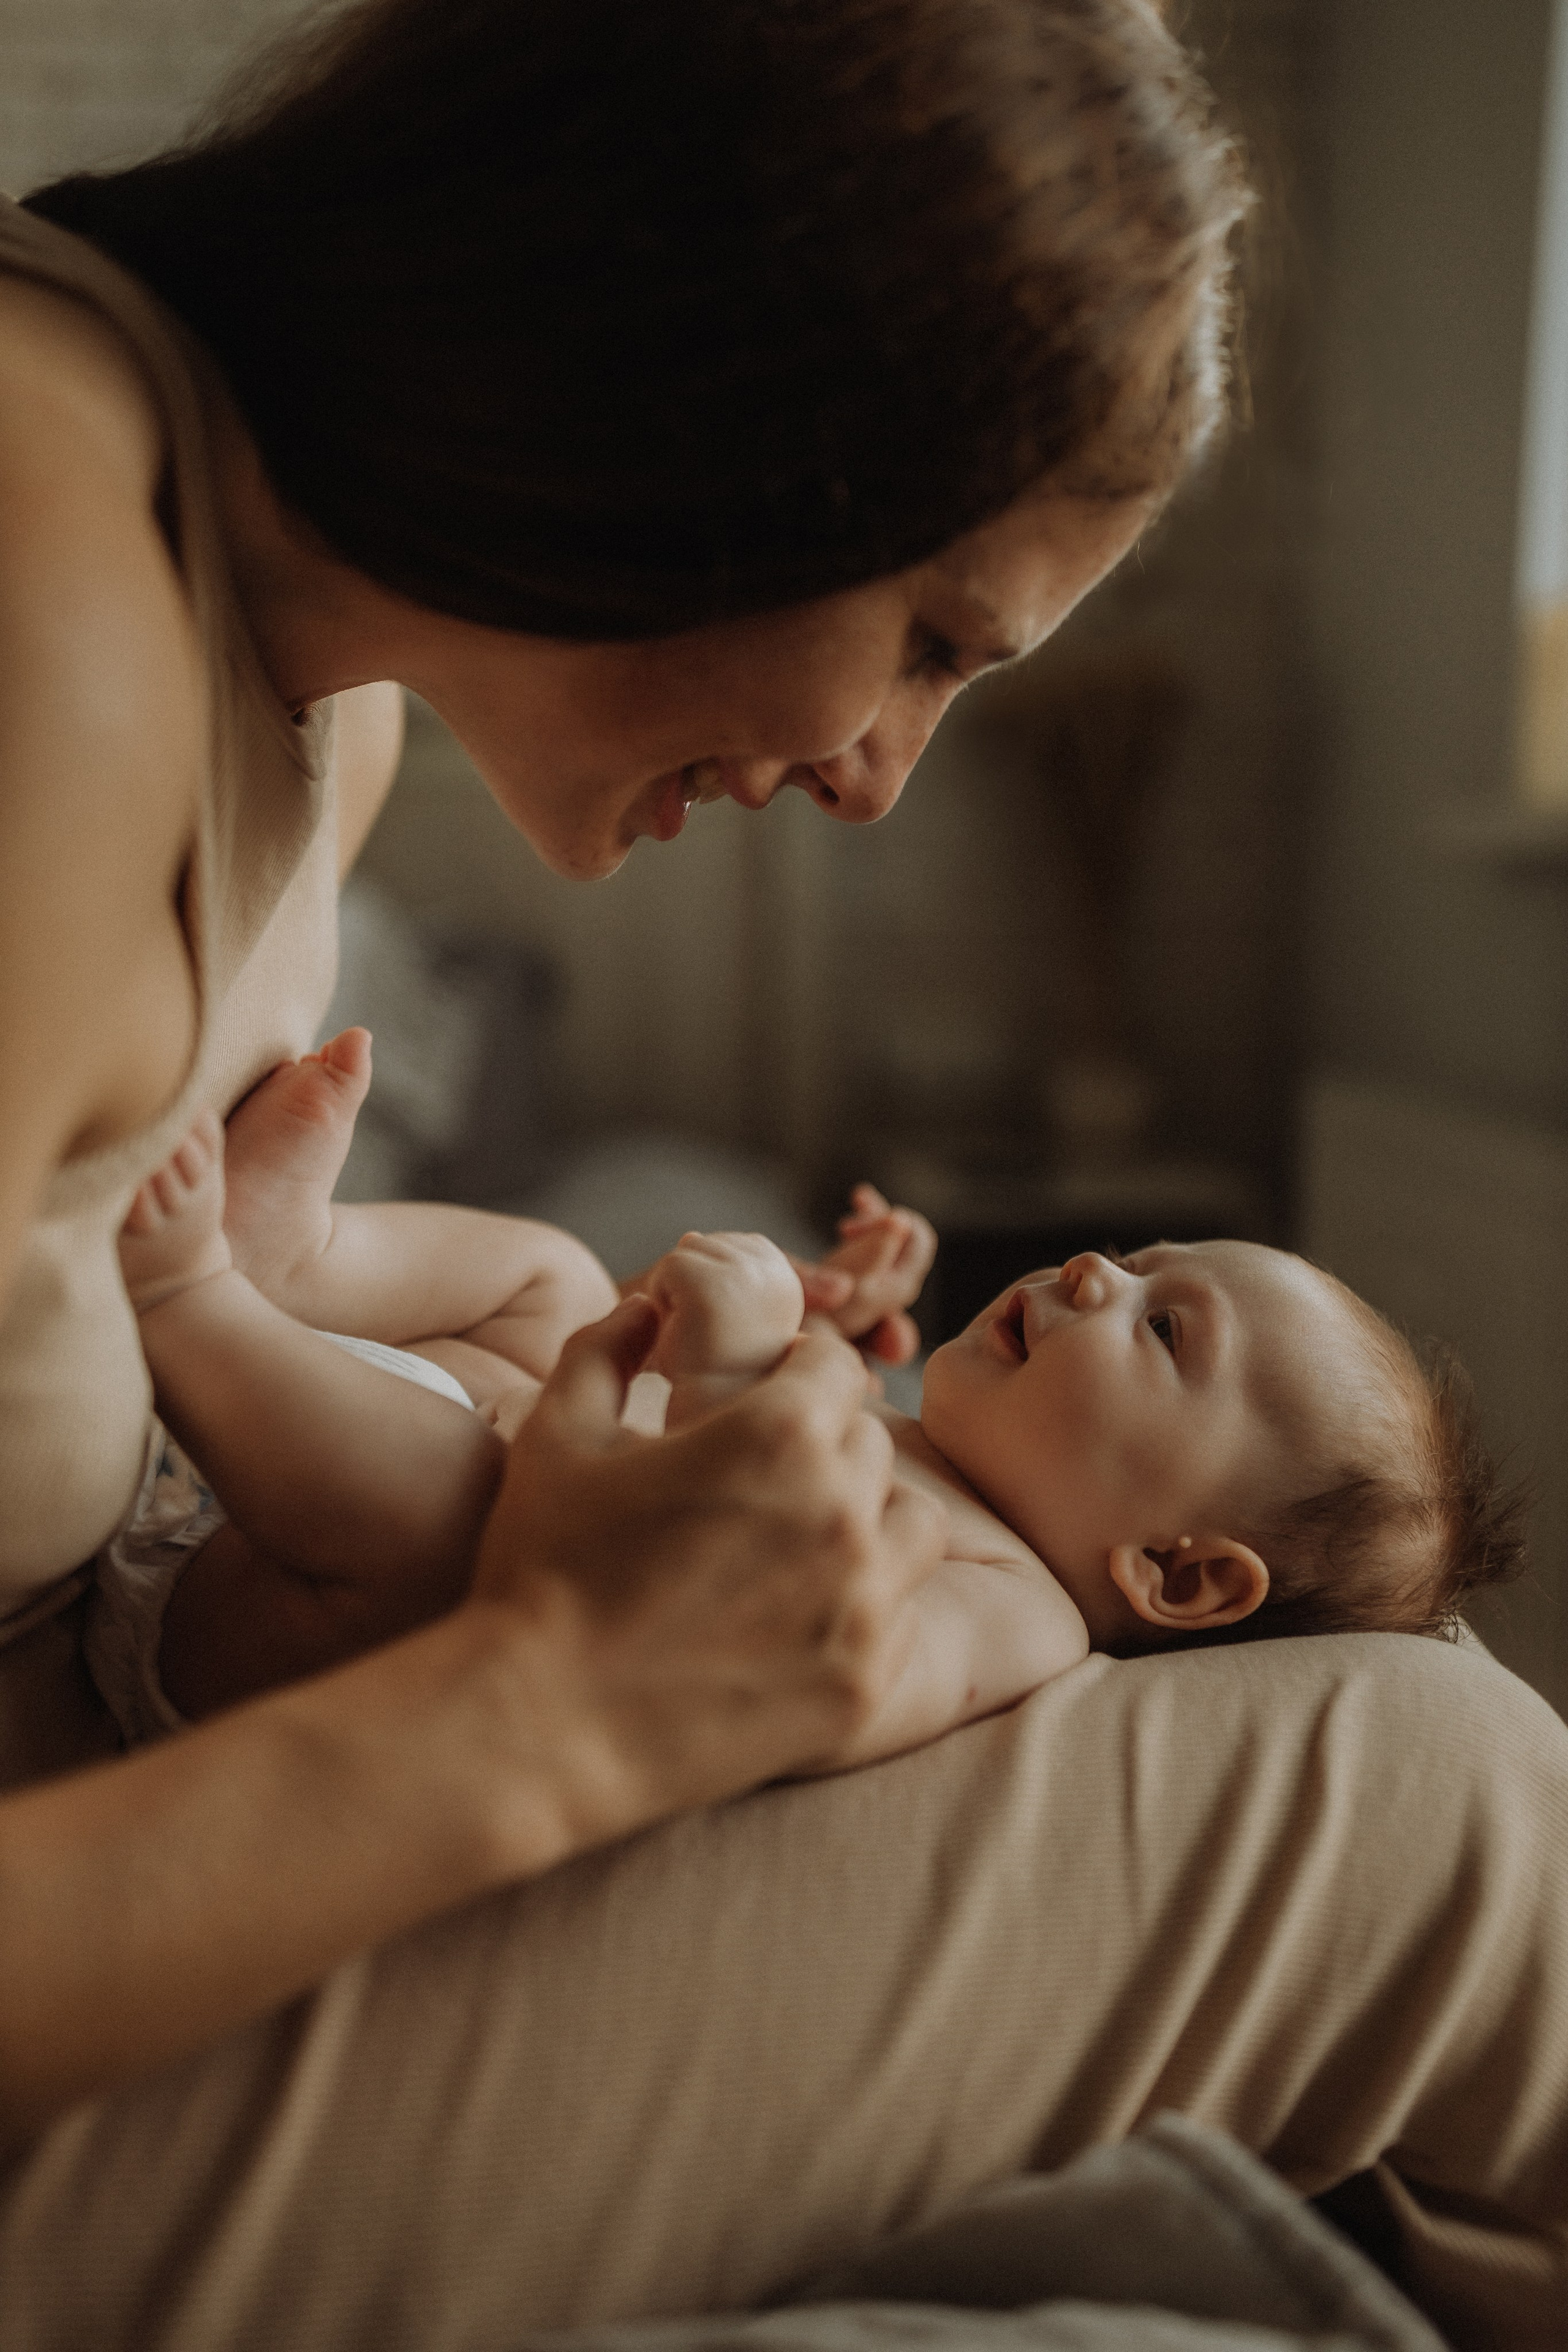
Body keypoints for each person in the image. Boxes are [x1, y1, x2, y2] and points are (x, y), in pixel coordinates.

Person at [0, 5, 1564, 2348]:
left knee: (1409, 1710)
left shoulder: (309, 694)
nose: (876, 782)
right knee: (1440, 1788)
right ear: (703, 394)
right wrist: (563, 1702)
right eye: (930, 641)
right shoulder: (44, 645)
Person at [96, 1030, 1522, 1757]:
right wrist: (830, 1319)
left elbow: (786, 1667)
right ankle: (301, 1265)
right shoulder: (949, 1457)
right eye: (1140, 1254)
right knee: (551, 1278)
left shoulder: (1010, 1613)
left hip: (308, 1626)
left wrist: (730, 1378)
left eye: (1162, 1329)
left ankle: (188, 1308)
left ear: (1173, 1572)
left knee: (456, 1504)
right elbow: (817, 1423)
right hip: (395, 1445)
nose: (1096, 1266)